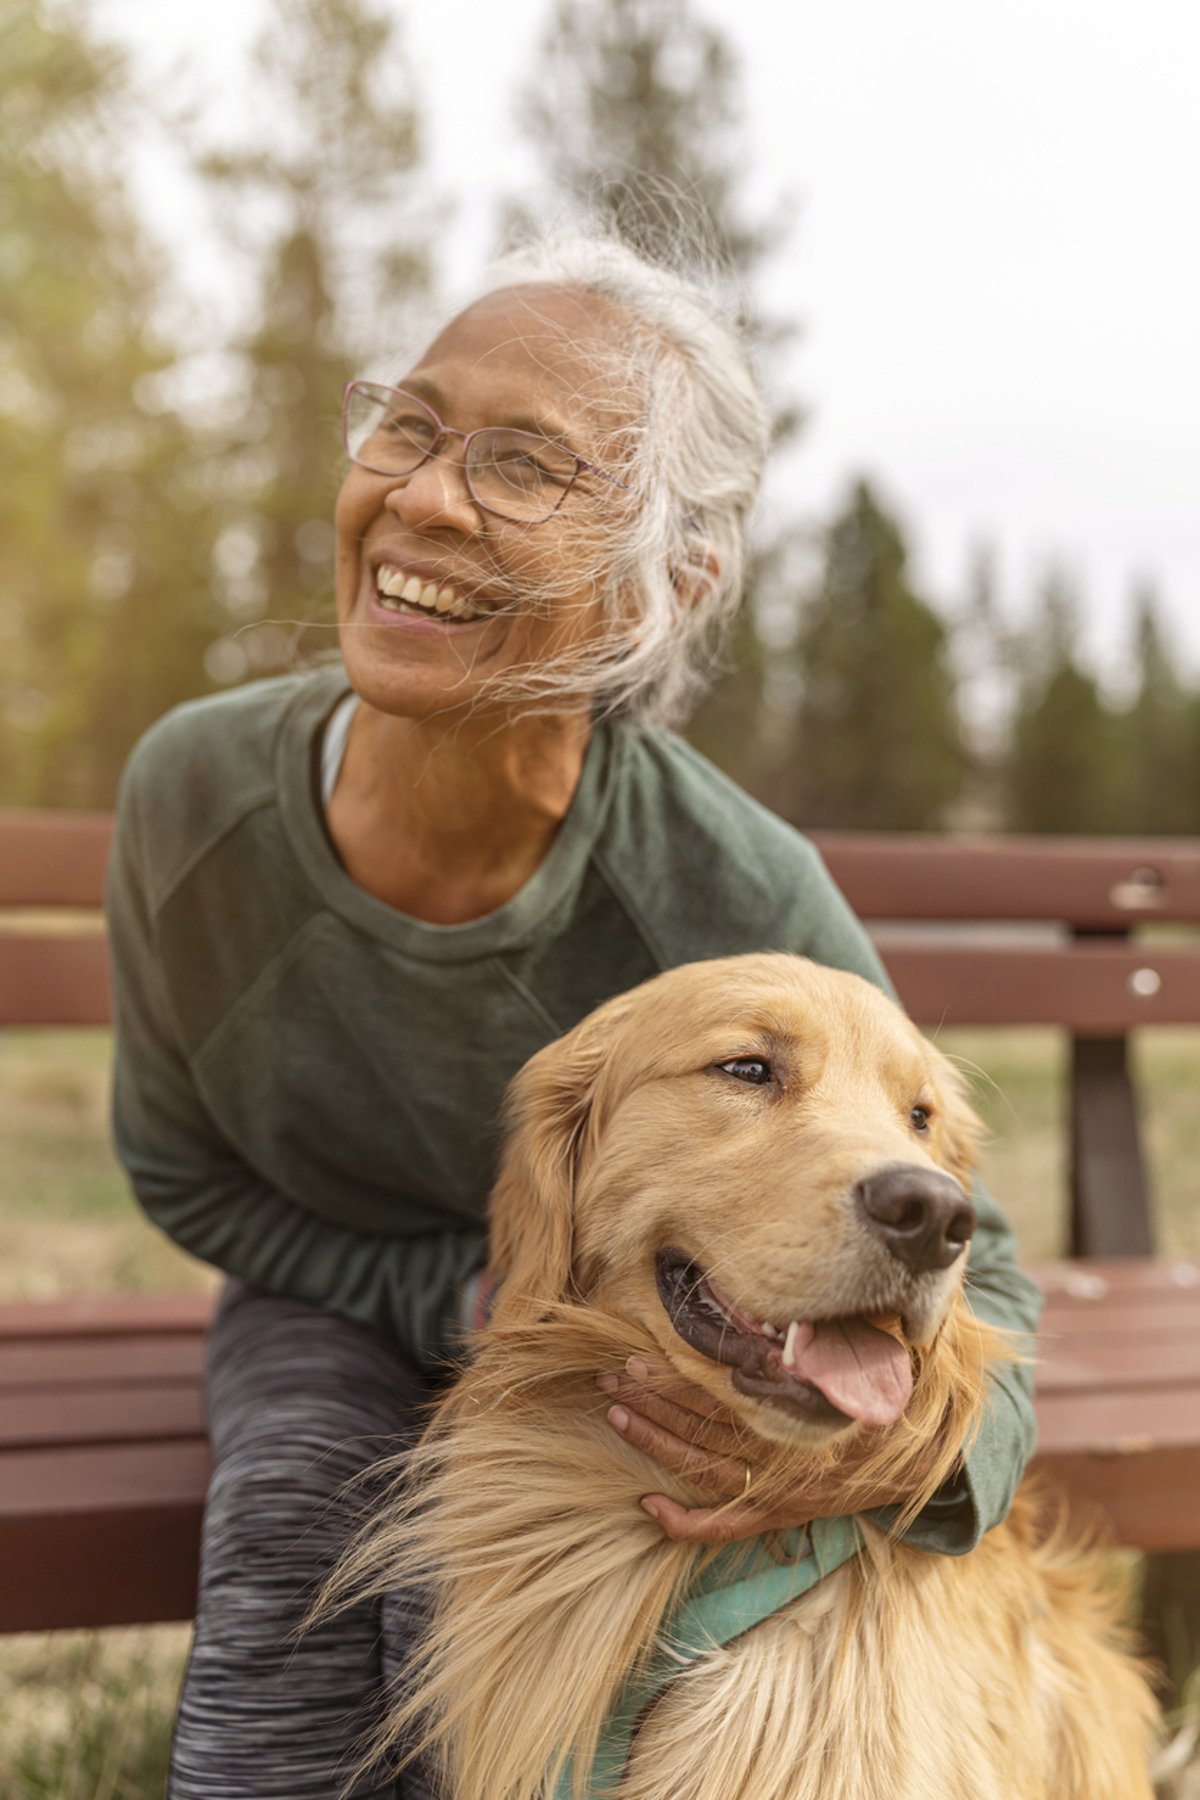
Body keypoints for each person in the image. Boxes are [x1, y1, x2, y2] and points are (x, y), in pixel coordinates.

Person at [106, 228, 1041, 1800]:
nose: (421, 494)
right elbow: (186, 1173)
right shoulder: (193, 797)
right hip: (340, 1293)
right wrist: (470, 1302)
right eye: (406, 426)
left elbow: (981, 1253)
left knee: (459, 1615)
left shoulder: (729, 885)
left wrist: (908, 1460)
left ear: (669, 582)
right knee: (295, 1531)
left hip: (648, 1327)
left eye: (524, 464)